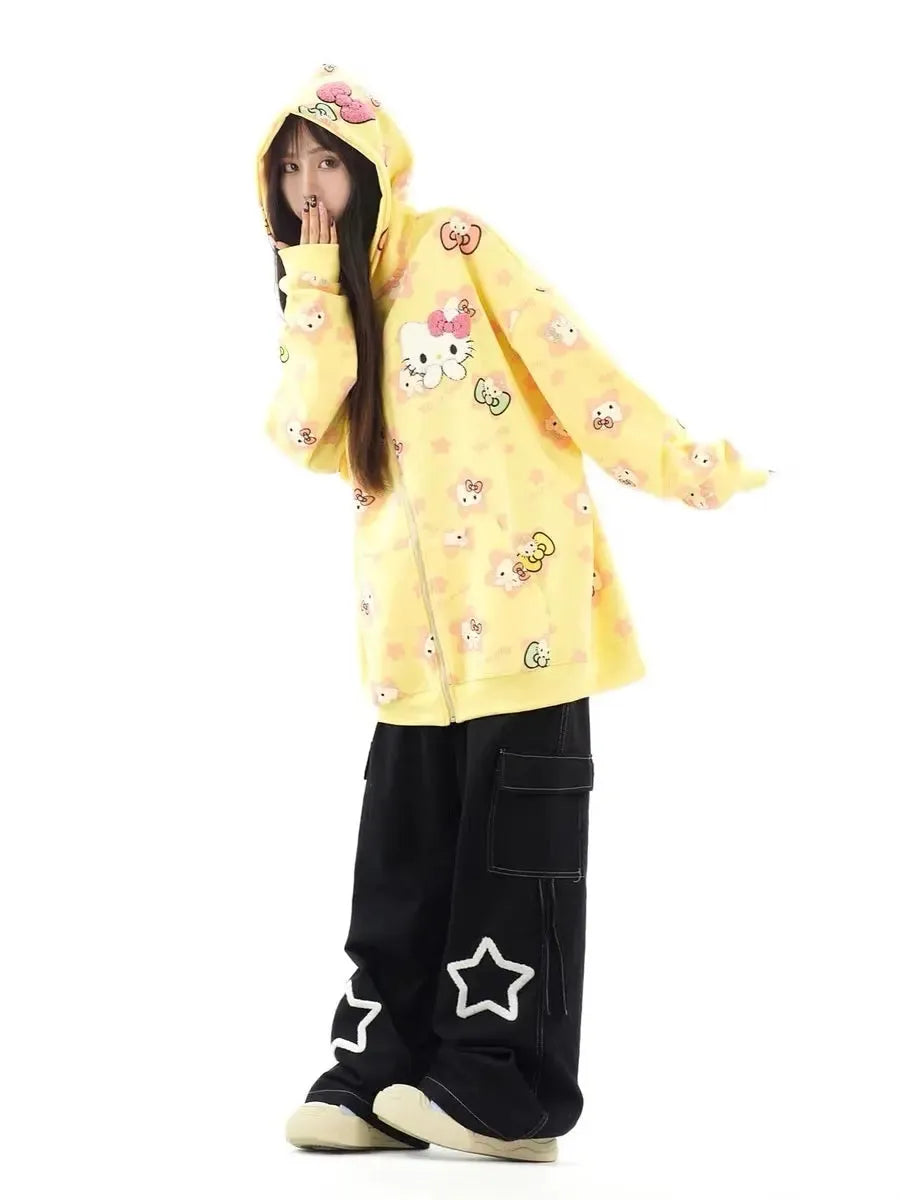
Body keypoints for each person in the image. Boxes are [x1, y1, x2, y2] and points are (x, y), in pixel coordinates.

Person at [255, 63, 771, 1164]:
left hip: (523, 620)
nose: (309, 188)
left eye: (327, 163)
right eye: (290, 170)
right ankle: (380, 1067)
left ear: (371, 166)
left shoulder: (458, 246)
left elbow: (571, 365)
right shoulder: (324, 297)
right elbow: (303, 433)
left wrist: (684, 464)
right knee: (399, 861)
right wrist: (314, 288)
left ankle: (509, 1093)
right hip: (408, 645)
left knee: (513, 859)